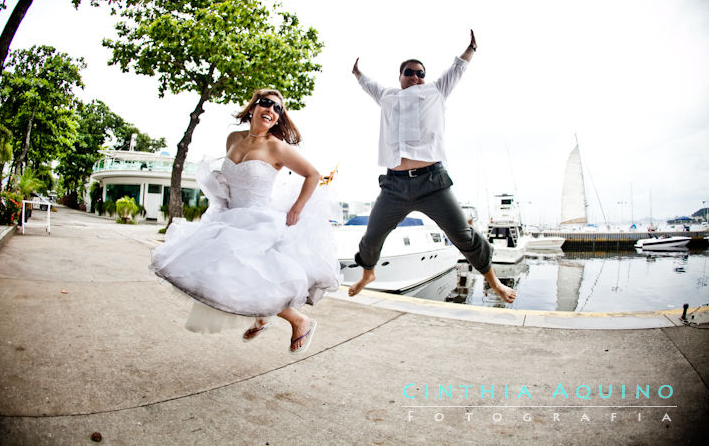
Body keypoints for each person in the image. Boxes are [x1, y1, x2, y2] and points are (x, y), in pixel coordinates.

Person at [150, 89, 341, 354]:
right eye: (266, 104)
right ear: (253, 107)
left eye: (278, 109)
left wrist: (297, 209)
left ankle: (300, 320)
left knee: (247, 271)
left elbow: (313, 174)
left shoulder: (276, 146)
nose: (272, 110)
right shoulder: (233, 139)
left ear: (278, 119)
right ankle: (262, 317)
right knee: (223, 275)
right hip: (229, 215)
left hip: (259, 219)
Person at [348, 30, 516, 303]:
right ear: (400, 76)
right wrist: (357, 73)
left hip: (432, 183)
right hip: (394, 186)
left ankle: (493, 281)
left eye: (420, 73)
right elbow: (368, 84)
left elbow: (458, 68)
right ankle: (368, 274)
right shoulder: (387, 96)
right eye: (409, 73)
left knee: (464, 236)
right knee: (371, 237)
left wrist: (472, 47)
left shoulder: (436, 90)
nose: (415, 77)